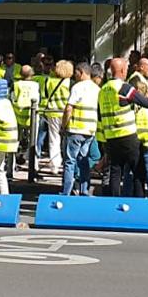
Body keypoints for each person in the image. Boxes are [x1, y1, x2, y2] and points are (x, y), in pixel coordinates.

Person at [98, 57, 148, 196]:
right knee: (138, 171)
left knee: (116, 171)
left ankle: (115, 202)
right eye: (126, 69)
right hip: (127, 135)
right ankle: (138, 202)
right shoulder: (123, 87)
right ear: (122, 70)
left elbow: (100, 115)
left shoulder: (103, 89)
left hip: (111, 136)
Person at [61, 62, 99, 196]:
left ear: (81, 72)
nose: (74, 75)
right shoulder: (96, 88)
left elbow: (69, 108)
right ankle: (84, 190)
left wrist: (63, 125)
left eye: (76, 73)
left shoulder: (77, 87)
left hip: (76, 129)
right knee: (83, 161)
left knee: (70, 161)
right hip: (90, 130)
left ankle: (66, 192)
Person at [38, 60, 73, 175]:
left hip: (52, 113)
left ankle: (55, 166)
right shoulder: (70, 83)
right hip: (66, 114)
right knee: (67, 139)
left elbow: (45, 95)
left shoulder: (48, 81)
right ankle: (67, 164)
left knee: (54, 140)